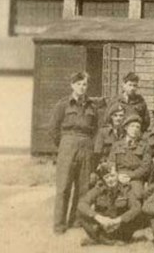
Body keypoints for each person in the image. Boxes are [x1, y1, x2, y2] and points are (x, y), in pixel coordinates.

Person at [49, 70, 100, 234]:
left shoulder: (92, 106)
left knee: (83, 186)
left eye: (84, 84)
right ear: (72, 85)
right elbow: (53, 129)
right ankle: (59, 224)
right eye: (78, 84)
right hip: (67, 146)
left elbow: (96, 130)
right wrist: (64, 145)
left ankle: (77, 220)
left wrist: (90, 147)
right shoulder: (63, 104)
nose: (82, 87)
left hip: (86, 147)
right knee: (63, 186)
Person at [78, 162, 142, 246]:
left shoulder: (126, 188)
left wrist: (119, 220)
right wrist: (99, 218)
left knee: (138, 215)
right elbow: (82, 203)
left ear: (117, 175)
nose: (110, 180)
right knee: (82, 213)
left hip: (120, 226)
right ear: (103, 179)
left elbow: (136, 207)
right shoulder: (99, 188)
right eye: (106, 177)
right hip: (103, 226)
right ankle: (108, 241)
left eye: (112, 176)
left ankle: (99, 239)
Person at [106, 112, 153, 199]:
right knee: (107, 193)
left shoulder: (145, 146)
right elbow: (111, 162)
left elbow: (145, 167)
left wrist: (130, 176)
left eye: (137, 127)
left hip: (135, 178)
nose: (135, 129)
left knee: (137, 195)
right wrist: (116, 175)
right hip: (118, 176)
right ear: (126, 128)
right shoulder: (117, 144)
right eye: (132, 126)